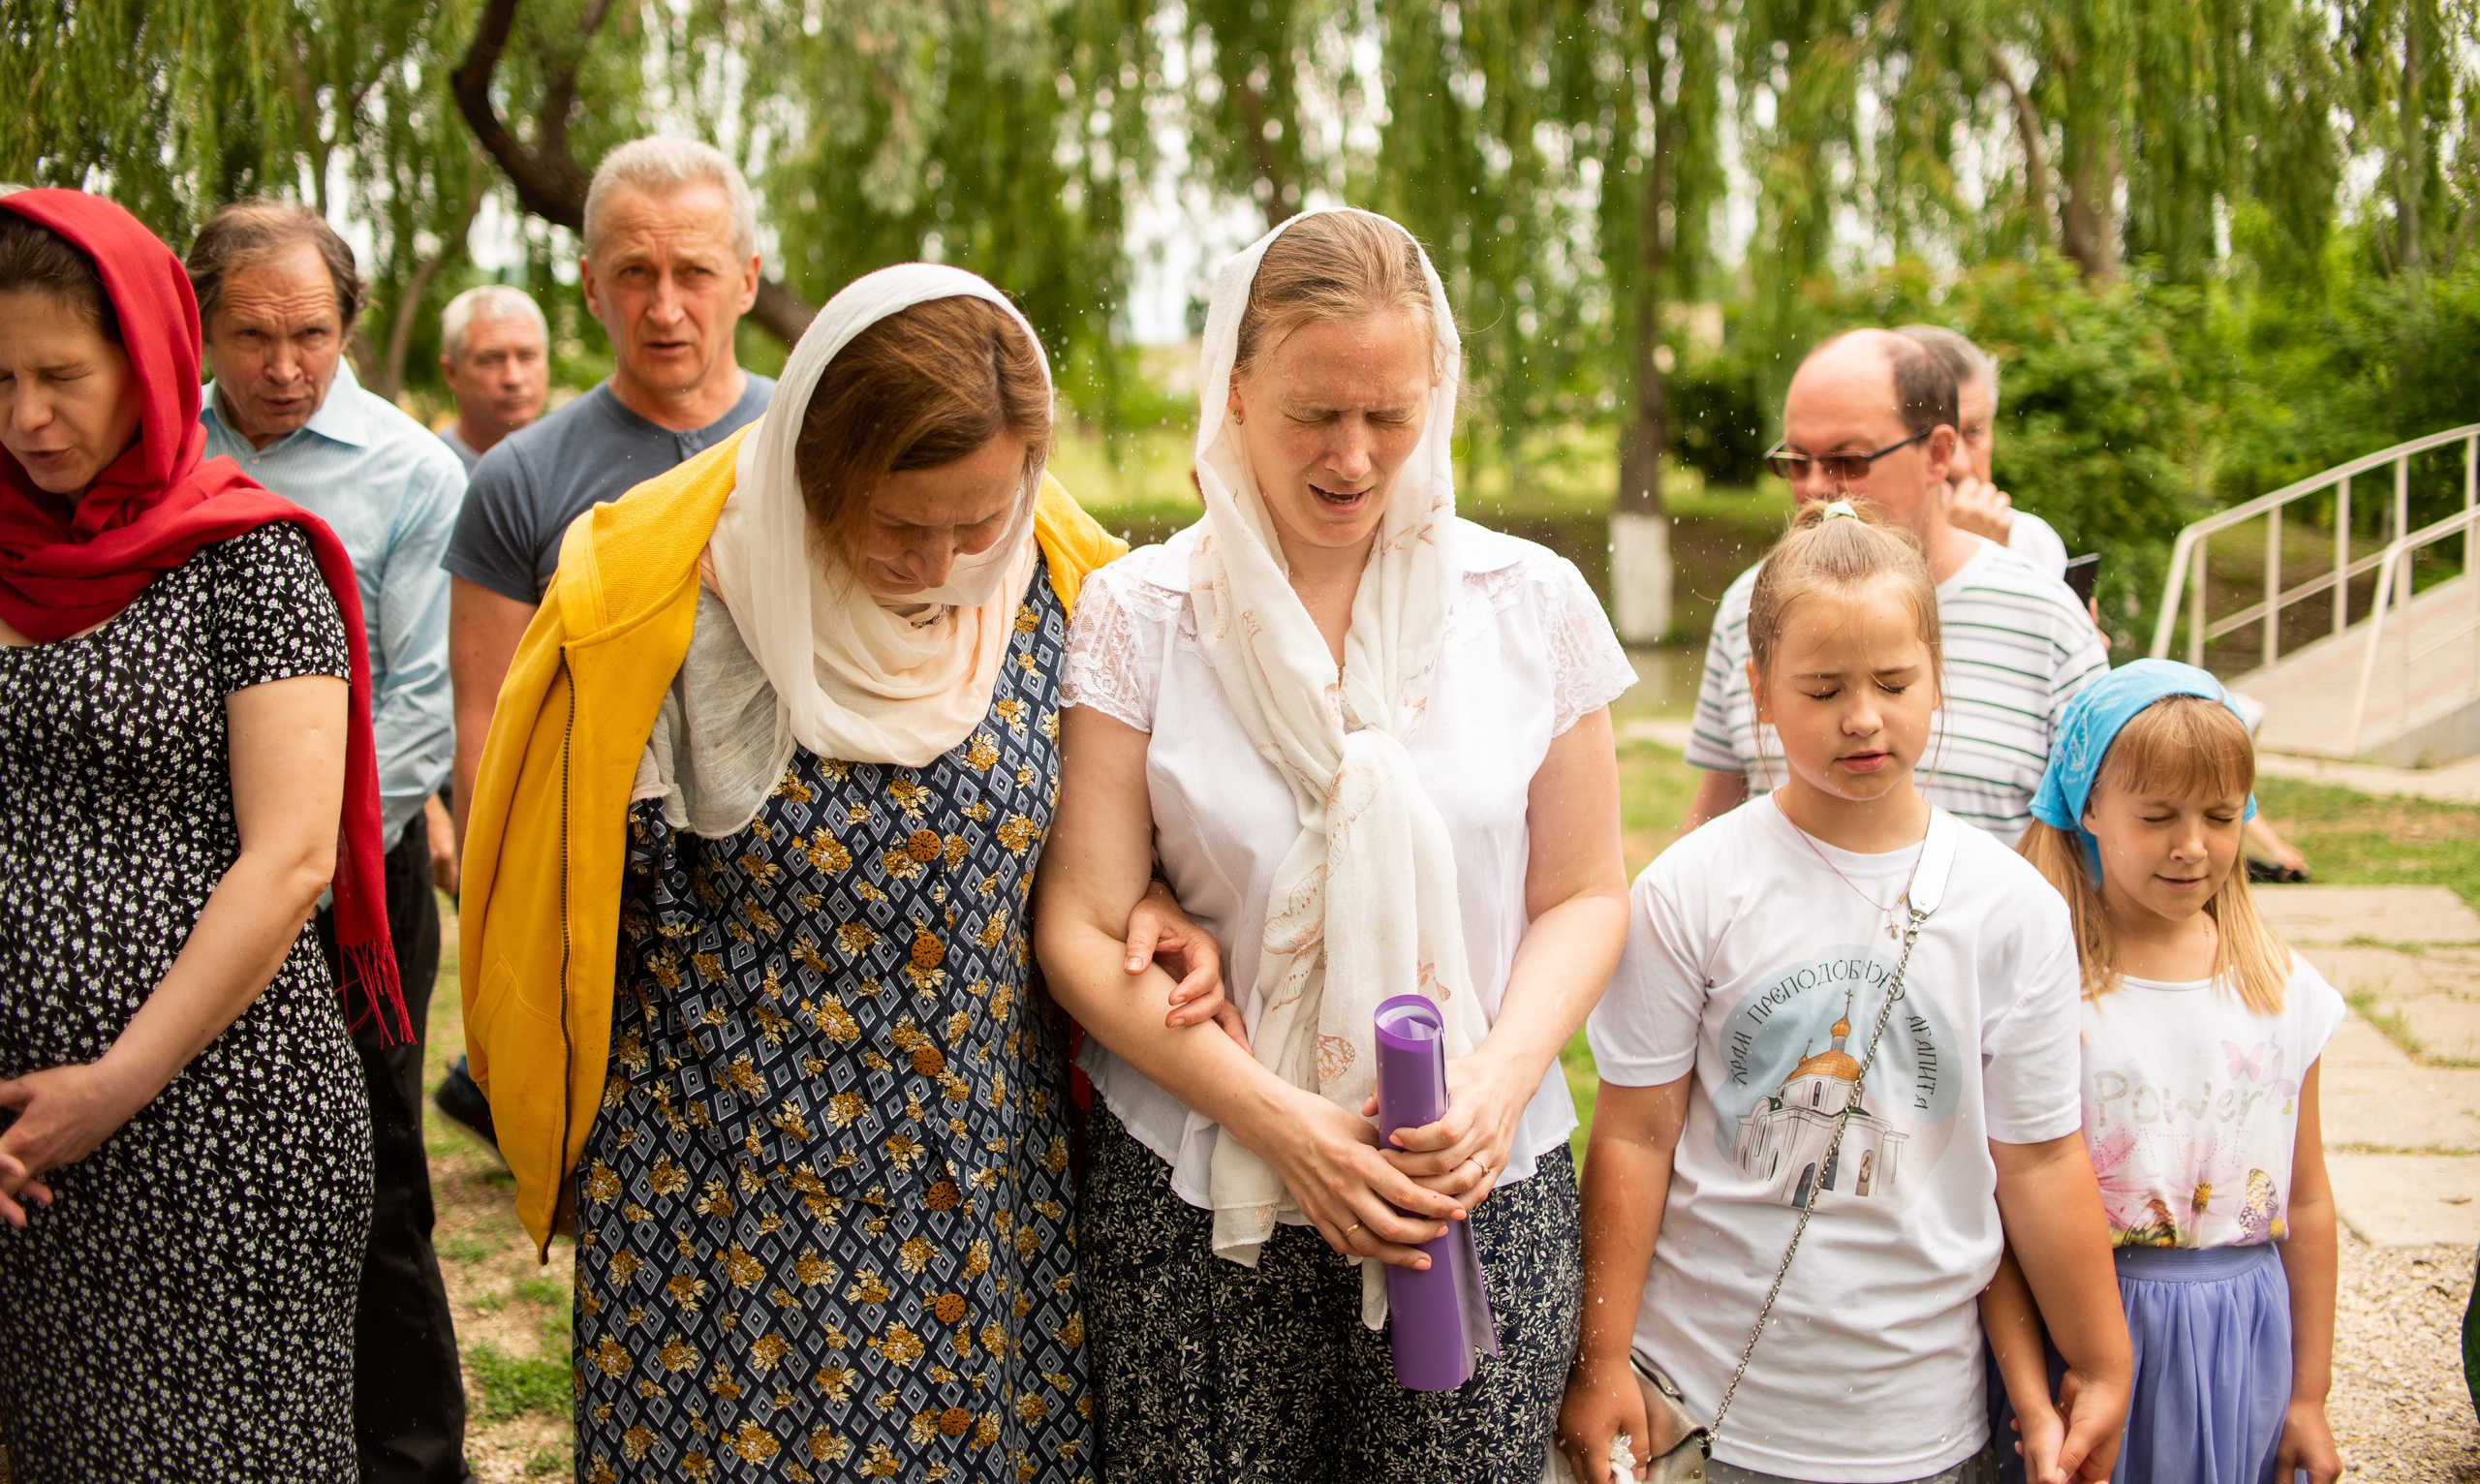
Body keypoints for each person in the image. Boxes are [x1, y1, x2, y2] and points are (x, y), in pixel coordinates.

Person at [457, 263, 1230, 1482]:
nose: (940, 562)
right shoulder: (656, 611)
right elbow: (559, 905)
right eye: (896, 523)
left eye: (978, 519)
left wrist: (1141, 894)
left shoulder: (1055, 585)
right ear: (812, 472)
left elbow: (1089, 836)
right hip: (727, 1215)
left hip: (979, 1198)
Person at [1037, 208, 1636, 1481]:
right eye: (1315, 412)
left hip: (1469, 1184)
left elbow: (1584, 893)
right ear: (1235, 387)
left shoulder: (1531, 605)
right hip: (1209, 1192)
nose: (1355, 457)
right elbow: (1083, 931)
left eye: (1392, 413)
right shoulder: (1140, 617)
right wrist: (1288, 1127)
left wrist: (1492, 1084)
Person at [1561, 500, 2131, 1484]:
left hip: (1921, 1419)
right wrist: (1600, 1355)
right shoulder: (1689, 888)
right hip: (1698, 1401)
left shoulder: (2013, 909)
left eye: (1893, 681)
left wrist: (2102, 1354)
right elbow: (1632, 1134)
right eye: (1821, 687)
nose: (1861, 715)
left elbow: (2039, 1158)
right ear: (1760, 694)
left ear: (1936, 679)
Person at [0, 189, 407, 1478]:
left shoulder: (251, 559)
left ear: (149, 355)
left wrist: (106, 1089)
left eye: (60, 375)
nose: (25, 416)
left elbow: (291, 861)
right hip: (23, 1164)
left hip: (225, 1129)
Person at [187, 201, 473, 1484]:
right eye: (253, 335)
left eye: (311, 333)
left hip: (358, 878)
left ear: (349, 325)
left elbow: (420, 705)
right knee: (204, 1164)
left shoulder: (414, 472)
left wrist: (300, 860)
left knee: (374, 1164)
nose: (286, 366)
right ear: (200, 325)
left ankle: (410, 1455)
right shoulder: (155, 455)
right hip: (183, 874)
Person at [433, 137, 778, 1148]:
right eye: (634, 273)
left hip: (799, 909)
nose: (664, 307)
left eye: (694, 272)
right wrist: (499, 919)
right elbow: (489, 718)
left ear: (747, 280)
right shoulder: (521, 481)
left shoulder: (814, 450)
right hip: (614, 919)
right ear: (589, 286)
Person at [1993, 661, 2342, 1484]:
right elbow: (2001, 1220)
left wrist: (2310, 1396)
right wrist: (2030, 1398)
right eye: (2157, 816)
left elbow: (2307, 1197)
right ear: (2088, 809)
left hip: (2244, 1342)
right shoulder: (2048, 995)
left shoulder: (2287, 993)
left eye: (2222, 816)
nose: (2193, 846)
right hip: (2078, 1337)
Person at [1684, 328, 2107, 839]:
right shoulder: (1747, 606)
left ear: (1937, 453)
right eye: (1795, 462)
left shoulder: (2049, 621)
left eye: (1848, 460)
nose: (1816, 485)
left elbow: (2099, 839)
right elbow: (1717, 808)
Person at [1903, 325, 2071, 579]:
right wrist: (1961, 556)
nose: (1957, 464)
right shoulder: (1849, 547)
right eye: (1931, 438)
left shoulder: (2036, 542)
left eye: (1973, 433)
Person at [434, 284, 549, 473]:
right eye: (491, 360)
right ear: (451, 373)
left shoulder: (575, 467)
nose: (514, 378)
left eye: (526, 356)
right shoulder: (430, 477)